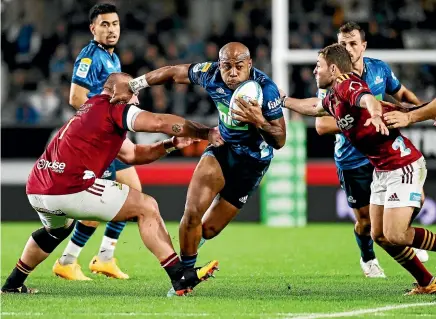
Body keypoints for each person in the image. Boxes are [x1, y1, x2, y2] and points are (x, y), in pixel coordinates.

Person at [1, 72, 222, 296]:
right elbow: (159, 122)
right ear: (119, 92)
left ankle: (12, 284)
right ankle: (180, 276)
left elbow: (133, 154)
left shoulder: (92, 107)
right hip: (68, 188)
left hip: (38, 188)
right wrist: (205, 132)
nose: (136, 100)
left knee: (54, 232)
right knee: (147, 207)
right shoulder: (116, 107)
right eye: (134, 93)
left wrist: (170, 144)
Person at [111, 42, 286, 295]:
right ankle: (185, 277)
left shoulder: (266, 91)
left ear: (250, 65)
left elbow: (279, 140)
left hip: (253, 163)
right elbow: (173, 72)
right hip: (222, 149)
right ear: (219, 64)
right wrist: (135, 85)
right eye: (227, 66)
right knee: (192, 213)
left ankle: (187, 264)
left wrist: (258, 121)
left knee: (209, 229)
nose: (233, 72)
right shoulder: (210, 73)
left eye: (239, 66)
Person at [280, 43, 436, 295]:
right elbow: (313, 107)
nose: (314, 71)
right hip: (382, 170)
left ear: (333, 68)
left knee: (396, 234)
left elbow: (366, 98)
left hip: (402, 165)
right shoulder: (332, 97)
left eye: (318, 66)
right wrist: (284, 101)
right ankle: (428, 282)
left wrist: (375, 112)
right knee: (380, 235)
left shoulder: (346, 84)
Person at [315, 22, 428, 277]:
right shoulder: (331, 81)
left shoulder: (379, 69)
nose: (348, 48)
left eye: (353, 43)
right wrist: (357, 122)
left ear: (363, 46)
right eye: (342, 43)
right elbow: (321, 124)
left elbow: (402, 93)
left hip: (382, 154)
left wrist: (422, 112)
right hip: (352, 159)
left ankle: (404, 238)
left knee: (417, 201)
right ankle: (368, 258)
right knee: (366, 224)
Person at [53, 3, 142, 280]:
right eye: (104, 24)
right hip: (97, 142)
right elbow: (76, 98)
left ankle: (104, 257)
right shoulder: (90, 57)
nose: (111, 29)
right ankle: (67, 261)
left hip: (110, 139)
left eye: (114, 24)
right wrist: (100, 125)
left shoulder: (112, 58)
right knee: (95, 206)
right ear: (93, 28)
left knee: (134, 193)